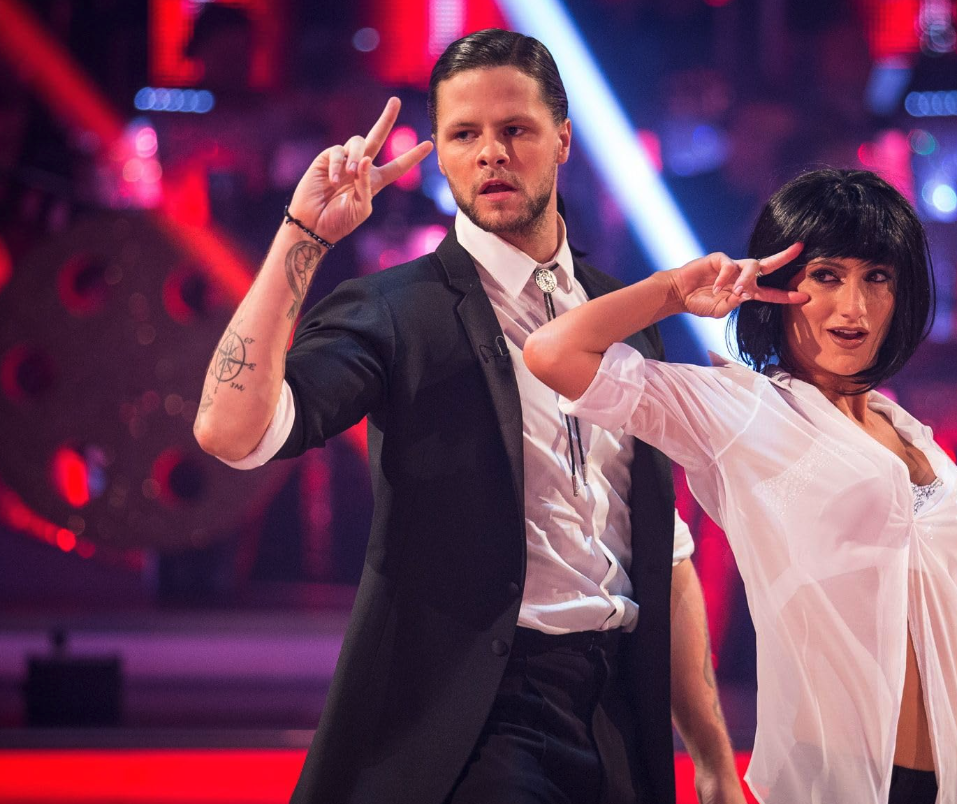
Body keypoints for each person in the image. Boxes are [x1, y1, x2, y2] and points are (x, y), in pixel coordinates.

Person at [193, 28, 743, 804]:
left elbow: (663, 550)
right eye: (464, 135)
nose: (490, 154)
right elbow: (230, 432)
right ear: (441, 155)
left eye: (514, 129)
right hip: (480, 717)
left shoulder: (624, 314)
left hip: (617, 709)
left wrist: (713, 762)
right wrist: (303, 236)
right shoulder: (393, 311)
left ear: (563, 140)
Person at [525, 168, 957, 804]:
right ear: (780, 286)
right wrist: (675, 289)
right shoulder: (743, 412)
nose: (854, 307)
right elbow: (551, 353)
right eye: (827, 276)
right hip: (838, 779)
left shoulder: (906, 430)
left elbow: (947, 630)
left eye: (877, 277)